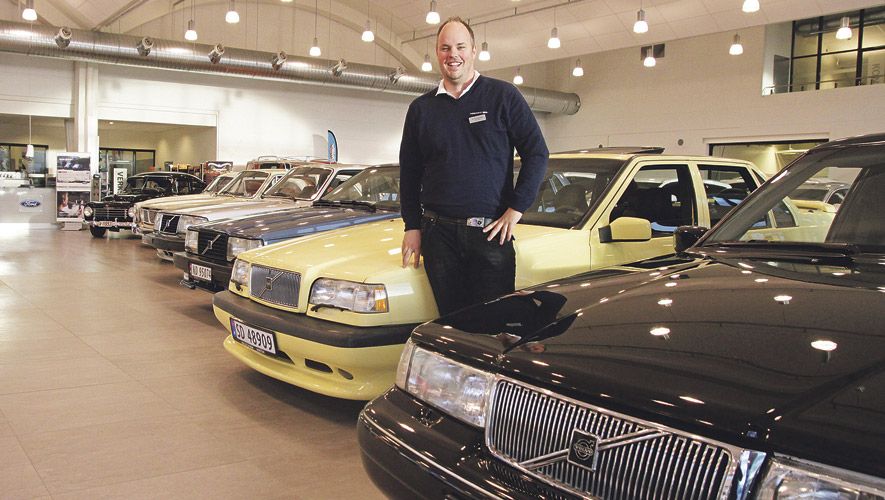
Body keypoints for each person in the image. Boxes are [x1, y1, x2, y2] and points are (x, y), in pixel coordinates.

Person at [399, 16, 549, 316]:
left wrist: (516, 209)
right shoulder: (421, 109)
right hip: (438, 236)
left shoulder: (503, 96)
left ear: (473, 51)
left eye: (460, 47)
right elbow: (410, 172)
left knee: (494, 324)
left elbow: (537, 153)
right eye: (445, 48)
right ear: (437, 53)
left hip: (490, 234)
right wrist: (412, 226)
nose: (452, 55)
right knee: (451, 324)